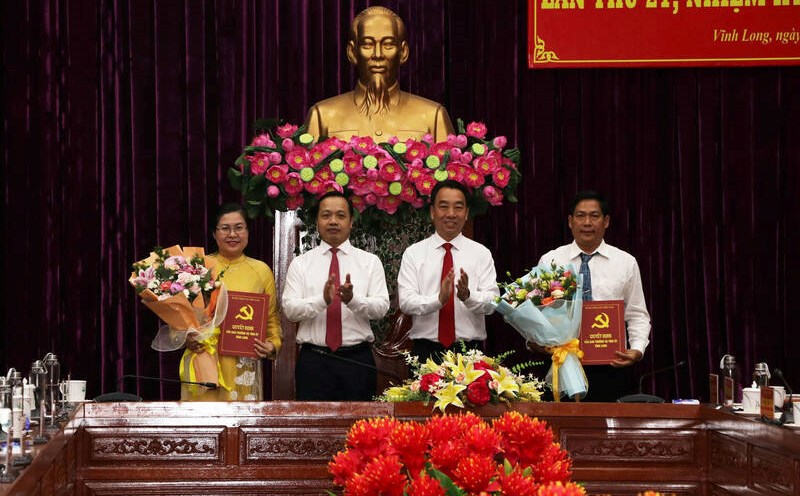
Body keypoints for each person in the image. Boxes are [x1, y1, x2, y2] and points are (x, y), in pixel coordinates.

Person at [536, 190, 651, 402]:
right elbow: (537, 312)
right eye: (580, 216)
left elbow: (637, 314)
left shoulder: (625, 262)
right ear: (570, 221)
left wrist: (637, 349)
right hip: (562, 363)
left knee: (607, 431)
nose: (587, 222)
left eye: (594, 216)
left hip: (611, 365)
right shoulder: (551, 261)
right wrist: (535, 341)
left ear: (606, 221)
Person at [282, 191, 390, 400]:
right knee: (315, 428)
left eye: (340, 215)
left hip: (357, 361)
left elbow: (381, 308)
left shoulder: (370, 262)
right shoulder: (301, 264)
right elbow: (290, 311)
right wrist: (323, 300)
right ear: (317, 221)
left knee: (360, 429)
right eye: (326, 215)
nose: (333, 221)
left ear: (351, 222)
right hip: (314, 361)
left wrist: (353, 300)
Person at [304, 6, 454, 143]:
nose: (377, 55)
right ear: (352, 52)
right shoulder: (322, 116)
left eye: (388, 44)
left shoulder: (433, 116)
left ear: (403, 52)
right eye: (367, 44)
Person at [180, 203, 282, 401]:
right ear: (214, 233)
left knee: (241, 426)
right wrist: (186, 338)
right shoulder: (197, 268)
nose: (232, 234)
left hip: (243, 365)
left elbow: (271, 319)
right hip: (203, 359)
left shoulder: (261, 270)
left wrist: (272, 345)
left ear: (248, 232)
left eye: (239, 228)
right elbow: (180, 316)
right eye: (225, 228)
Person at [398, 180, 500, 363]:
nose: (451, 214)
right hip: (425, 352)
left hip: (469, 353)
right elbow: (406, 302)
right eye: (444, 207)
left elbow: (493, 303)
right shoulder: (413, 253)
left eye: (458, 207)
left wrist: (468, 295)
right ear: (432, 212)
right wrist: (438, 300)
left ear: (467, 213)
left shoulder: (481, 254)